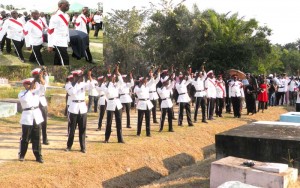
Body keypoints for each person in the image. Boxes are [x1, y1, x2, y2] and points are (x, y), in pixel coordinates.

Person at [18, 77, 44, 163]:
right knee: (25, 138)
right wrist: (30, 89)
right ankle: (22, 155)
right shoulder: (22, 93)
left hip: (36, 116)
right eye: (28, 84)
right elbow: (25, 99)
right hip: (27, 117)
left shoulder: (37, 92)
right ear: (24, 85)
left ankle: (38, 156)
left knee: (37, 137)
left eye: (31, 83)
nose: (30, 85)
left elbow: (43, 88)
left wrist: (40, 78)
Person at [97, 67, 124, 143]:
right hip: (110, 104)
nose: (114, 79)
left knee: (119, 122)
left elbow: (121, 82)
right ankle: (106, 138)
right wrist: (110, 83)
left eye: (114, 77)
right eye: (112, 77)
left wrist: (118, 73)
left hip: (117, 104)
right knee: (109, 123)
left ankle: (120, 139)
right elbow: (108, 92)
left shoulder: (116, 84)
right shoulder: (105, 85)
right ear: (109, 78)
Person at [65, 69, 88, 153]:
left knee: (82, 129)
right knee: (72, 129)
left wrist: (89, 77)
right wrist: (77, 82)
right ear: (74, 77)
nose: (80, 78)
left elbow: (92, 86)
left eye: (80, 76)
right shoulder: (69, 85)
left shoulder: (84, 84)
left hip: (82, 108)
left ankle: (83, 147)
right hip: (73, 108)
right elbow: (72, 93)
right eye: (78, 76)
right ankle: (69, 146)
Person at [48, 0, 70, 65]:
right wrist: (50, 45)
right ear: (60, 5)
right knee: (65, 60)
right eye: (66, 4)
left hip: (64, 41)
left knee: (57, 59)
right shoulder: (55, 16)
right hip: (58, 41)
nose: (68, 6)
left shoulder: (66, 15)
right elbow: (50, 31)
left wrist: (68, 40)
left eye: (69, 5)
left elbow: (66, 28)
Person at [31, 68, 49, 145]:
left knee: (44, 122)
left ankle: (45, 139)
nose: (38, 76)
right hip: (34, 103)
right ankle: (32, 138)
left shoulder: (42, 82)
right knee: (33, 122)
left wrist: (41, 78)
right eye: (37, 75)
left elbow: (44, 88)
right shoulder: (32, 82)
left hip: (42, 103)